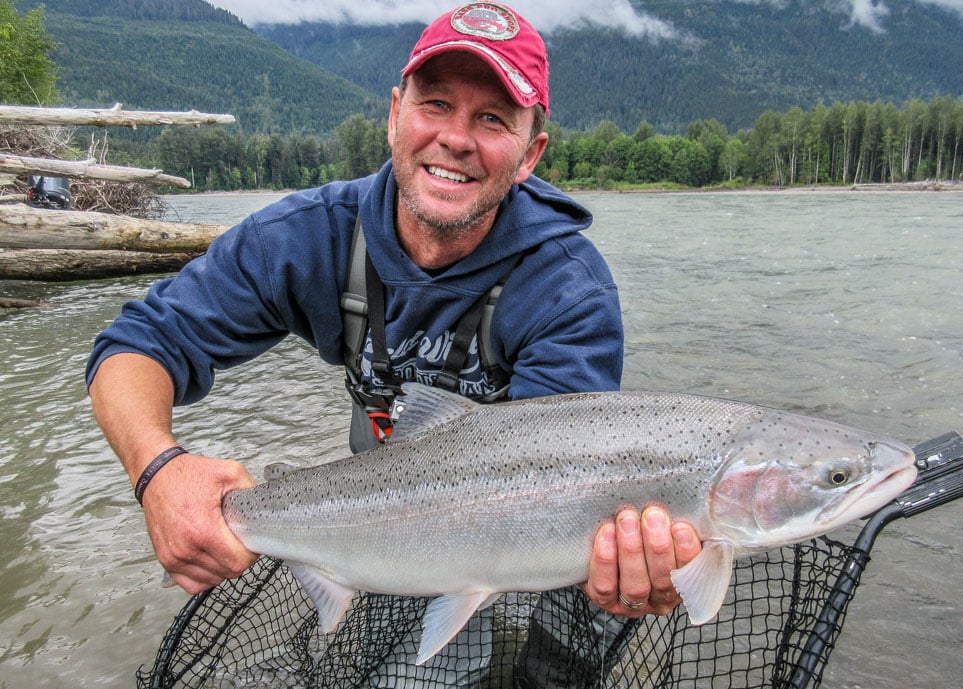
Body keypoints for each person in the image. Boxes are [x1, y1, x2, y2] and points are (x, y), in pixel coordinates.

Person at [86, 2, 701, 685]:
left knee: (592, 599)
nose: (456, 138)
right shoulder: (308, 237)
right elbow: (135, 344)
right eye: (435, 103)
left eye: (493, 118)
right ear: (394, 115)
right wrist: (157, 469)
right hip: (386, 509)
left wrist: (628, 564)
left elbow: (550, 488)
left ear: (530, 154)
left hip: (520, 517)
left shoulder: (568, 290)